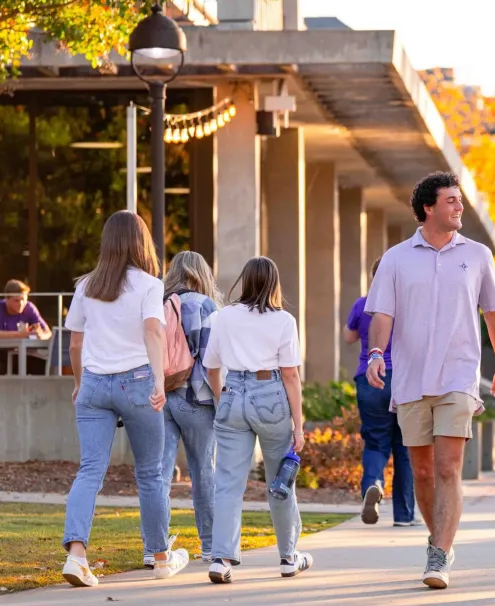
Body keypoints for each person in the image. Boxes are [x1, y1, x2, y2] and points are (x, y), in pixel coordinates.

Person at [365, 171, 495, 590]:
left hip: (459, 375)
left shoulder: (479, 255)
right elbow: (382, 314)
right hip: (411, 378)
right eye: (451, 200)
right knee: (423, 472)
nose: (459, 207)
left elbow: (493, 313)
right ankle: (440, 542)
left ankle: (437, 556)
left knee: (448, 467)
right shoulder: (395, 258)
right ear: (428, 207)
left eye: (460, 200)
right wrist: (377, 353)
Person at [61, 210, 189, 587]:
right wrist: (157, 379)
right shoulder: (150, 284)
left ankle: (77, 557)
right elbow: (153, 331)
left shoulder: (86, 285)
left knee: (89, 472)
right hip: (136, 383)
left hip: (95, 386)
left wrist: (79, 382)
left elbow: (75, 343)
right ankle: (161, 557)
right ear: (141, 242)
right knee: (150, 474)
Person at [203, 256, 312, 584]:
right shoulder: (283, 321)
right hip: (271, 394)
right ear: (274, 284)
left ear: (245, 281)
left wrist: (225, 399)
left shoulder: (224, 317)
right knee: (280, 482)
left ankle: (220, 559)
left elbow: (210, 367)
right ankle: (288, 557)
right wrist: (299, 424)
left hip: (233, 390)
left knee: (227, 483)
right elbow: (291, 375)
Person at [140, 251, 221, 568]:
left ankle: (153, 549)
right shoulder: (204, 305)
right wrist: (221, 402)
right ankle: (211, 546)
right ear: (202, 273)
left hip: (160, 397)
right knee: (203, 473)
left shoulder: (157, 304)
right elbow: (213, 360)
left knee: (158, 475)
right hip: (196, 399)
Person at [345, 257, 419, 527]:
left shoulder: (361, 304)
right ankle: (404, 514)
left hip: (370, 379)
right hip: (404, 380)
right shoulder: (408, 306)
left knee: (376, 442)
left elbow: (348, 337)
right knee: (404, 446)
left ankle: (373, 484)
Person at [1, 279, 52, 375]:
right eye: (16, 300)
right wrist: (19, 335)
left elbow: (48, 332)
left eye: (23, 299)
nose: (21, 303)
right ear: (6, 299)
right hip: (2, 353)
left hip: (24, 353)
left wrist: (40, 335)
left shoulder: (29, 308)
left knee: (41, 364)